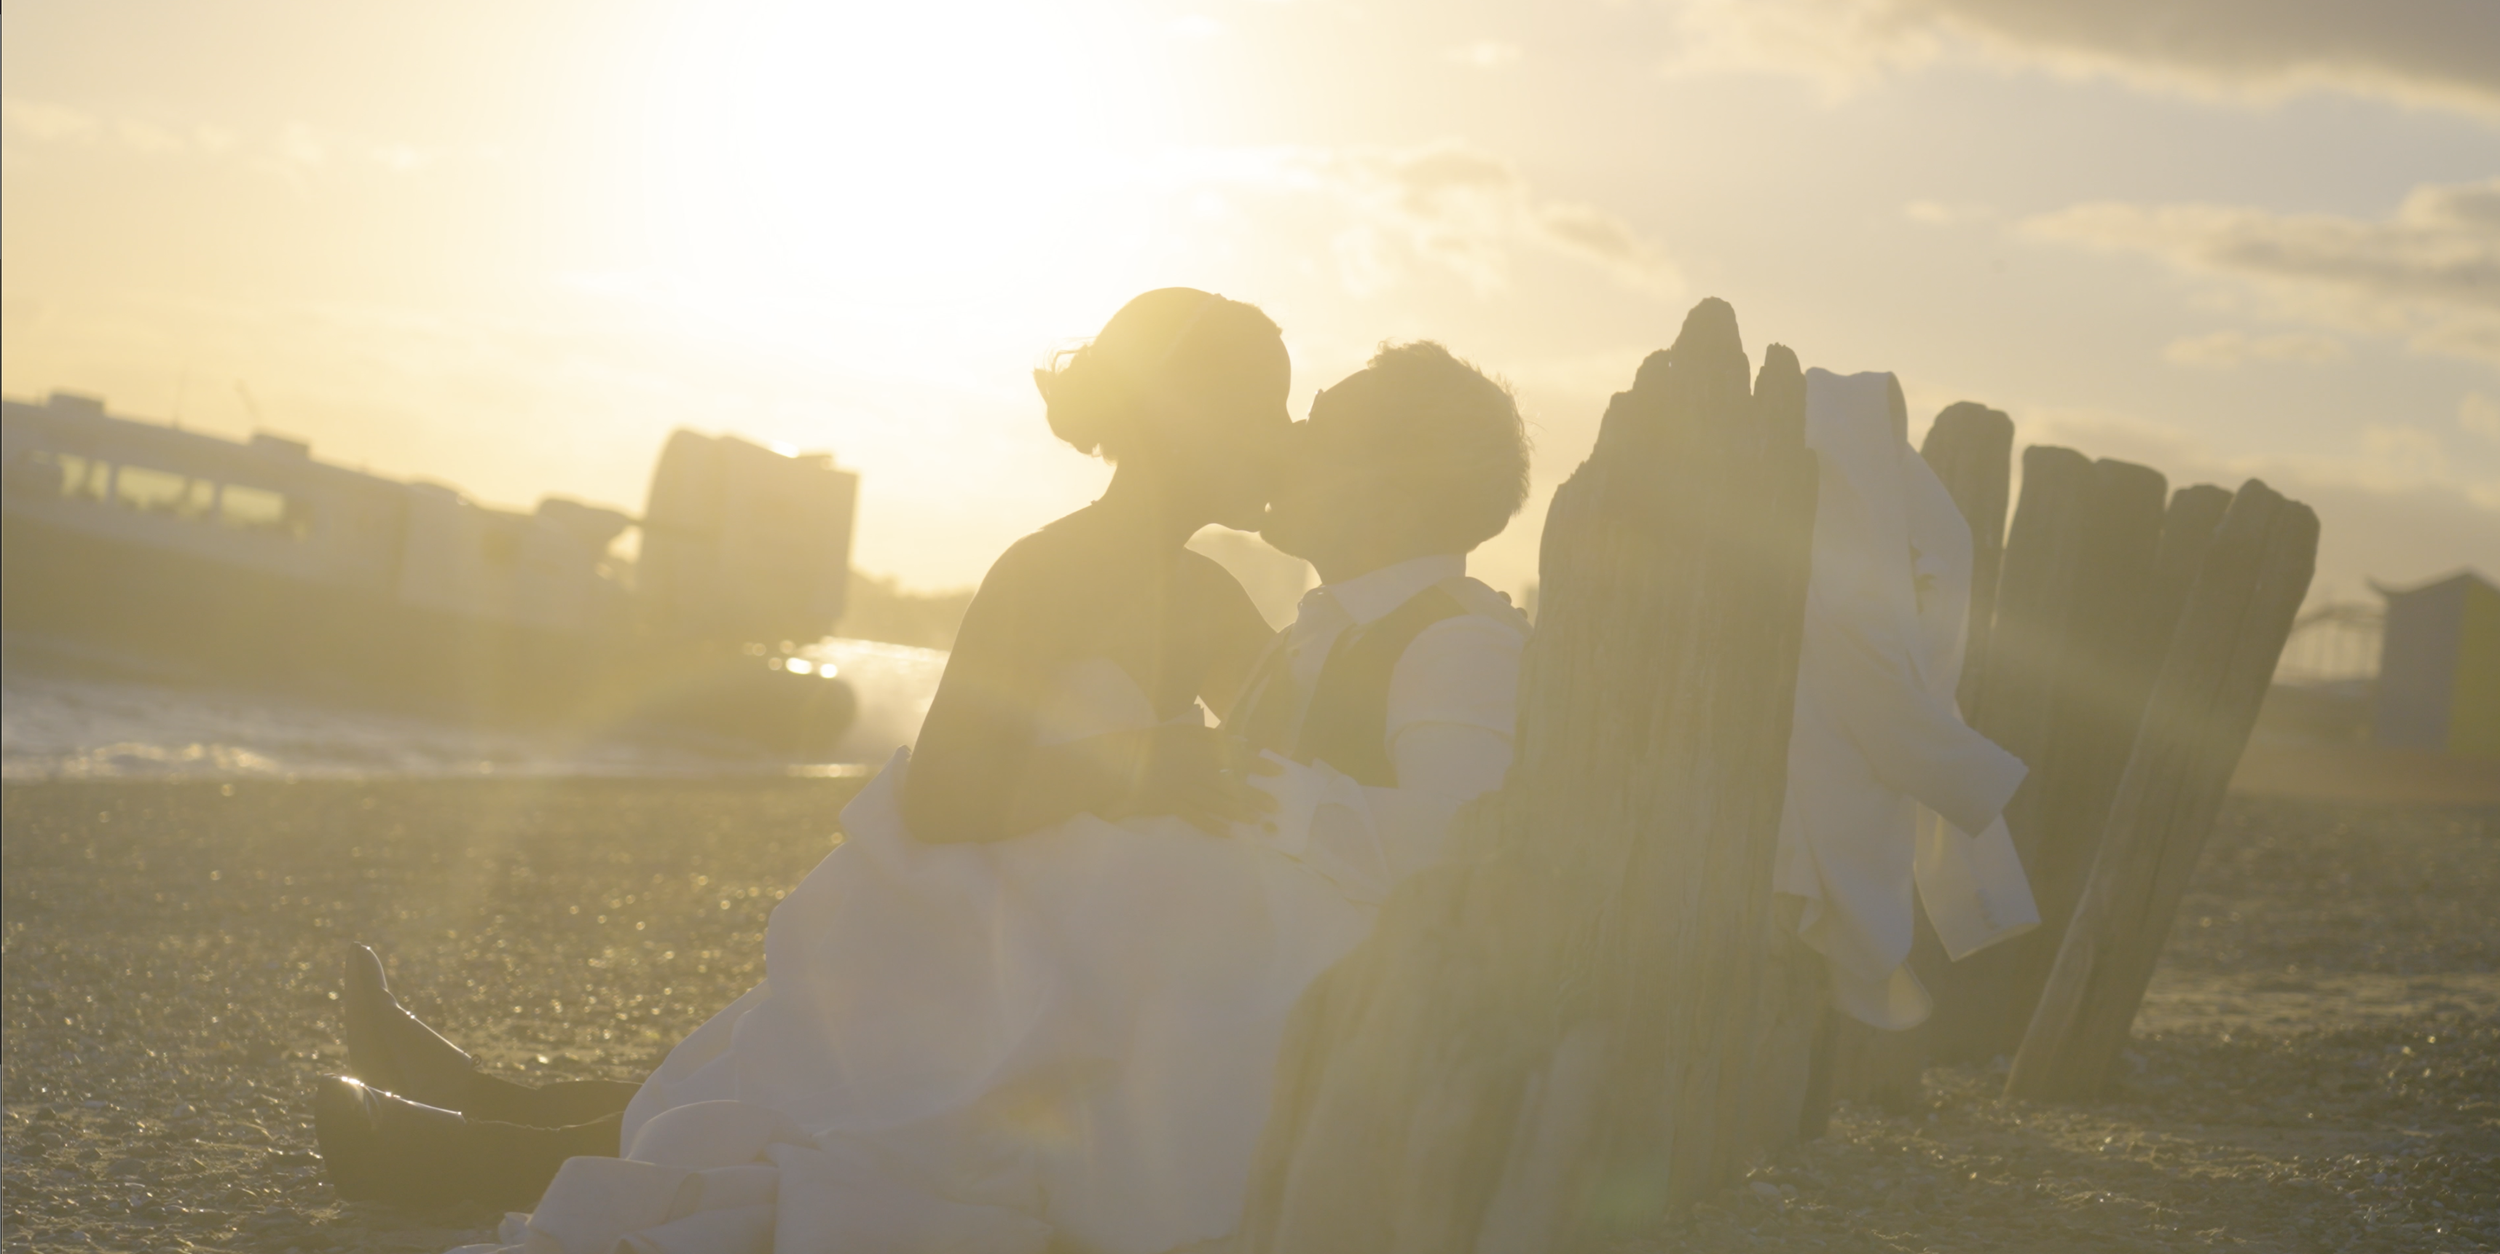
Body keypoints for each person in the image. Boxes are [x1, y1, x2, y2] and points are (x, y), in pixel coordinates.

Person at [316, 310, 1534, 1254]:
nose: (1288, 441)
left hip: (1243, 978)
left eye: (1312, 422)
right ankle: (486, 1111)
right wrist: (1151, 782)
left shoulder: (1382, 628)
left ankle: (475, 1136)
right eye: (1276, 412)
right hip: (1134, 917)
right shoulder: (1148, 591)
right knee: (889, 1002)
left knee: (902, 1008)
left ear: (1389, 477)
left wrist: (1200, 800)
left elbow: (1410, 825)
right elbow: (1011, 782)